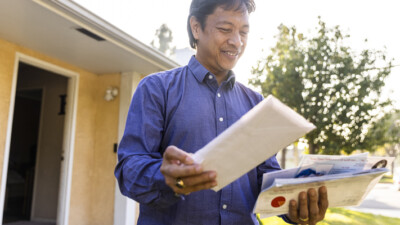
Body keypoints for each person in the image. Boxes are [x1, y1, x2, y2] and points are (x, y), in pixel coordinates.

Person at [115, 0, 329, 224]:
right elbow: (129, 171)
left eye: (244, 32)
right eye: (225, 29)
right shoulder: (157, 89)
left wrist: (298, 208)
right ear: (196, 27)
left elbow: (266, 181)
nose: (237, 42)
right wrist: (165, 177)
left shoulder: (255, 103)